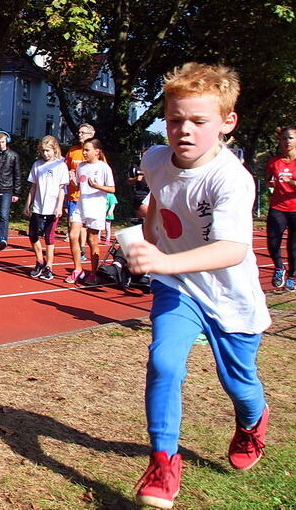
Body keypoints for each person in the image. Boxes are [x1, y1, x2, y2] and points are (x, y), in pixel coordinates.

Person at [124, 63, 270, 509]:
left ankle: (252, 422)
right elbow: (157, 198)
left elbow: (232, 250)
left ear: (227, 123)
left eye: (198, 122)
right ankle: (164, 460)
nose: (183, 130)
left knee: (239, 384)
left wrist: (164, 257)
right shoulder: (153, 159)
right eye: (174, 120)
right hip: (178, 286)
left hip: (231, 296)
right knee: (165, 362)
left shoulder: (232, 179)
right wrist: (148, 238)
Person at [264, 127, 296, 292]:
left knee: (293, 245)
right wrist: (271, 184)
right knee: (272, 242)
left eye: (290, 138)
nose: (287, 142)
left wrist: (295, 184)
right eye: (284, 138)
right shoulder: (274, 161)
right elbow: (267, 181)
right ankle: (279, 268)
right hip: (278, 207)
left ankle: (292, 277)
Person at [65, 138, 115, 284]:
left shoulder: (104, 168)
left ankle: (93, 273)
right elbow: (80, 187)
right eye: (83, 150)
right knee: (73, 235)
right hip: (81, 205)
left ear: (97, 151)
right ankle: (77, 269)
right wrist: (73, 180)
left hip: (96, 207)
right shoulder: (81, 166)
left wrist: (98, 187)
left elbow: (112, 189)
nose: (84, 153)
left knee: (92, 240)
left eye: (87, 150)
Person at [24, 135, 69, 280]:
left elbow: (62, 189)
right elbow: (33, 187)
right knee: (33, 235)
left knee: (49, 238)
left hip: (52, 207)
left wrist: (59, 207)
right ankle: (39, 261)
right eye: (43, 151)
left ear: (54, 149)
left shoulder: (61, 166)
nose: (45, 154)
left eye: (48, 151)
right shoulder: (37, 165)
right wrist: (27, 204)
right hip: (38, 206)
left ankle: (49, 266)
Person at [65, 123, 97, 259]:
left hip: (89, 197)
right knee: (72, 225)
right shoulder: (73, 151)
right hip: (73, 195)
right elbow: (65, 169)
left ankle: (82, 250)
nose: (80, 135)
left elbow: (101, 172)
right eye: (79, 132)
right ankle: (79, 250)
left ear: (91, 135)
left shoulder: (96, 152)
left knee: (84, 227)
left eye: (83, 132)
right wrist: (70, 174)